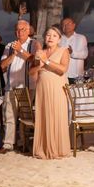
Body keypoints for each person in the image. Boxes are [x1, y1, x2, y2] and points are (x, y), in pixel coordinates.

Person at [0, 19, 39, 154]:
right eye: (18, 30)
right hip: (11, 86)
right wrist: (14, 53)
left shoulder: (34, 43)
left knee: (25, 117)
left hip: (27, 86)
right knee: (9, 116)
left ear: (28, 31)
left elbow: (35, 60)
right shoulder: (9, 45)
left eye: (23, 29)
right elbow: (2, 65)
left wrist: (21, 50)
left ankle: (23, 144)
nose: (20, 32)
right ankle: (8, 144)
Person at [31, 26, 71, 159]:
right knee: (44, 116)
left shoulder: (63, 51)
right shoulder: (40, 52)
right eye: (48, 35)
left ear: (59, 39)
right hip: (42, 88)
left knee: (55, 114)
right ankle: (43, 148)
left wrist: (46, 60)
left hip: (57, 88)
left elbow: (62, 70)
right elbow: (31, 72)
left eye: (54, 35)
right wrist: (39, 64)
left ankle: (57, 148)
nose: (50, 38)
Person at [59, 17, 88, 84]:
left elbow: (85, 54)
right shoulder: (59, 39)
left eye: (68, 24)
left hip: (77, 75)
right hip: (62, 75)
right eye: (64, 24)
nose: (66, 26)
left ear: (74, 25)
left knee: (77, 94)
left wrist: (72, 53)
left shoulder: (81, 38)